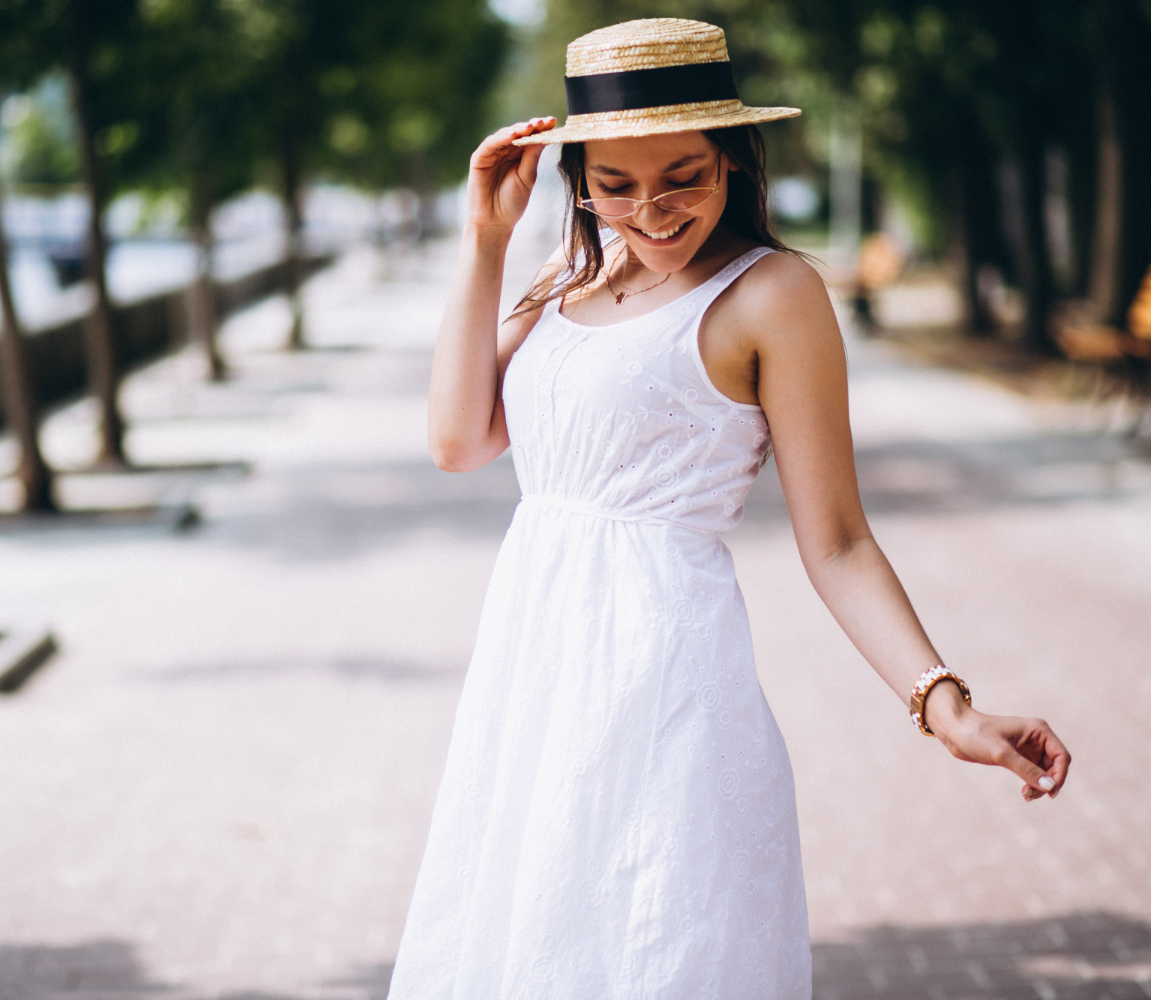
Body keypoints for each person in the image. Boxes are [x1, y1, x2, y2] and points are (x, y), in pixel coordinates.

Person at [391, 18, 1071, 999]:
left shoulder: (773, 295)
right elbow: (457, 441)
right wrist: (486, 240)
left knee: (655, 951)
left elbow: (837, 542)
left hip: (663, 686)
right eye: (615, 185)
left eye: (684, 176)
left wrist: (944, 704)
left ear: (735, 161)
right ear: (577, 181)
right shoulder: (564, 278)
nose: (654, 211)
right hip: (530, 676)